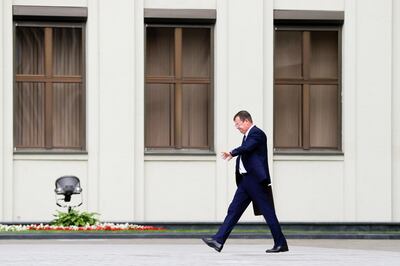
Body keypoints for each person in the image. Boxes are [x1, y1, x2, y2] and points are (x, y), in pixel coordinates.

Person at [202, 110, 288, 253]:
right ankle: (218, 240)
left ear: (246, 121)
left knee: (268, 212)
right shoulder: (248, 135)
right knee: (234, 210)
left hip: (255, 181)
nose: (237, 127)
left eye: (238, 124)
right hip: (246, 181)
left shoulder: (257, 134)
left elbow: (247, 148)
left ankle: (281, 243)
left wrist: (232, 153)